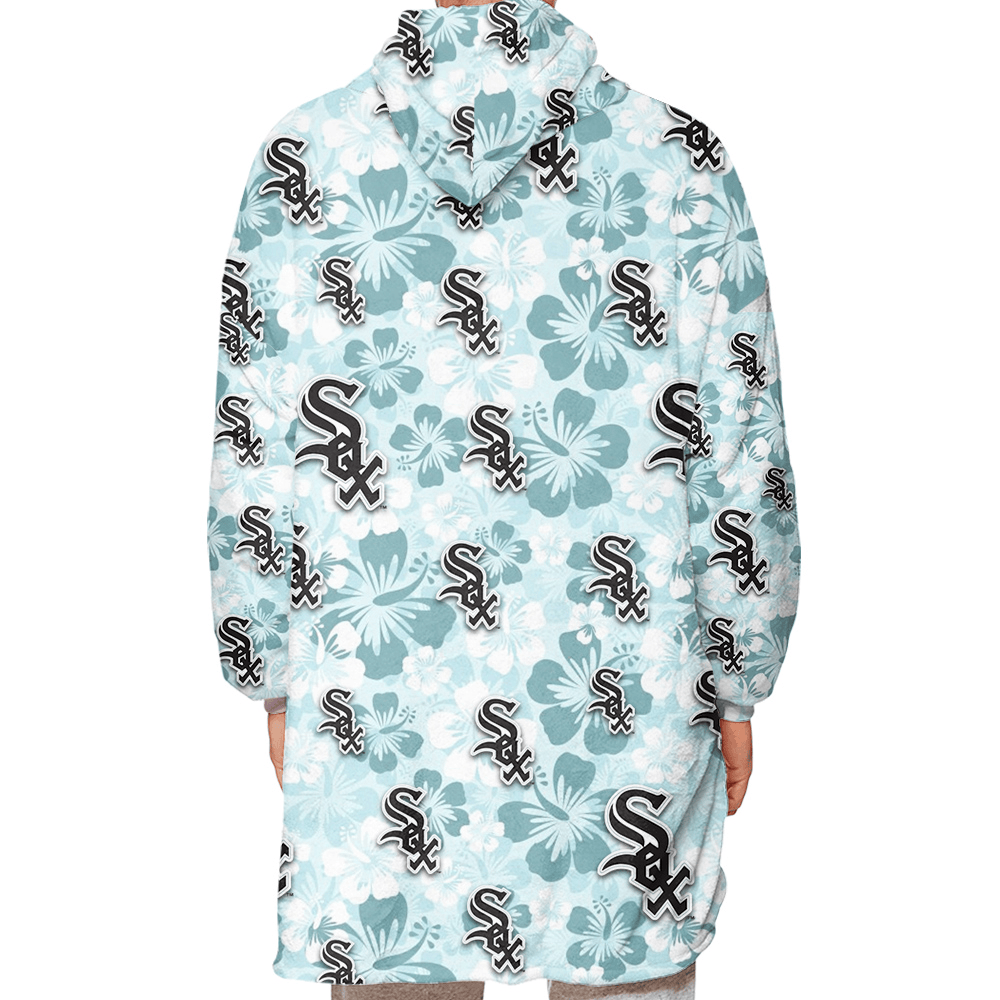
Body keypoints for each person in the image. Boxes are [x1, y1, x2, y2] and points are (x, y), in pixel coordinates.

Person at [207, 1, 800, 996]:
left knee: (396, 956)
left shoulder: (304, 159)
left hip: (376, 704)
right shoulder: (677, 161)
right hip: (626, 699)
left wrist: (271, 668)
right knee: (626, 960)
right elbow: (741, 447)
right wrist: (739, 669)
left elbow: (252, 450)